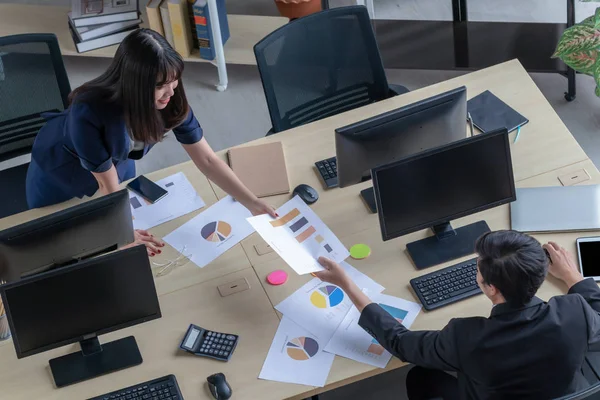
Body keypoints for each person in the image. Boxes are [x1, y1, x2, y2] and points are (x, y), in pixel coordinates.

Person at [26, 29, 276, 255]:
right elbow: (106, 183)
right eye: (160, 85)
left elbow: (207, 159)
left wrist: (251, 202)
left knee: (121, 207)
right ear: (135, 85)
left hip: (116, 161)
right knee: (53, 234)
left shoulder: (170, 101)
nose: (171, 92)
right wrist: (124, 236)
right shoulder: (88, 111)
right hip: (60, 171)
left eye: (174, 80)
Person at [315, 230, 600, 399]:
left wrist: (348, 284)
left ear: (491, 288)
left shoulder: (466, 337)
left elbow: (401, 343)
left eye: (477, 268)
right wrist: (572, 275)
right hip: (563, 390)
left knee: (420, 376)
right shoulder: (576, 311)